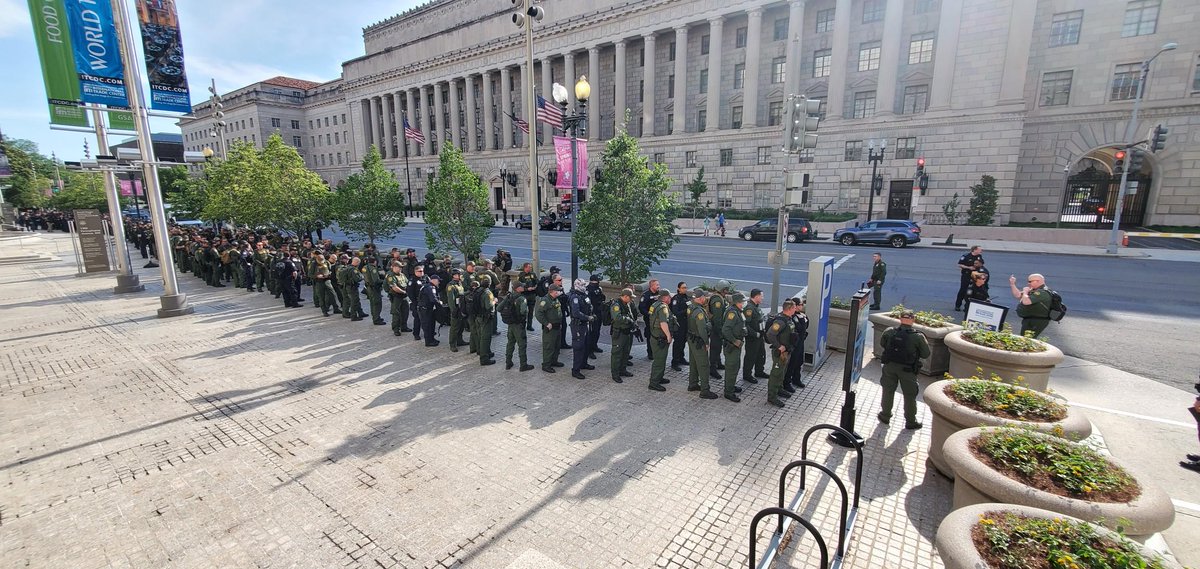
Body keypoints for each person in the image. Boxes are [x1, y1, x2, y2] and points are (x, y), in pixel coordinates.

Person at [877, 310, 931, 429]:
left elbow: (882, 344)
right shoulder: (918, 336)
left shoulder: (890, 331)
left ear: (900, 319)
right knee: (910, 395)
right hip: (908, 370)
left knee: (888, 391)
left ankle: (885, 416)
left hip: (889, 366)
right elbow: (925, 354)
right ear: (913, 320)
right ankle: (910, 421)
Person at [766, 300, 799, 408]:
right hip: (780, 353)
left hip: (786, 352)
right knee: (776, 373)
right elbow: (770, 334)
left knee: (782, 371)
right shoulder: (780, 321)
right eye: (794, 307)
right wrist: (778, 346)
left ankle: (779, 389)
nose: (796, 309)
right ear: (789, 308)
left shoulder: (788, 319)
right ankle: (772, 396)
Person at [687, 290, 718, 399]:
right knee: (704, 365)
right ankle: (705, 390)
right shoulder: (699, 312)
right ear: (700, 298)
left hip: (691, 338)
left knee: (694, 362)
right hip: (699, 341)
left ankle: (693, 383)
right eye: (705, 297)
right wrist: (706, 342)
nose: (706, 299)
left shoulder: (691, 307)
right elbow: (702, 329)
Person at [721, 293, 748, 402]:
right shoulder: (732, 313)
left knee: (736, 367)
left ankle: (731, 386)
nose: (744, 303)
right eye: (743, 301)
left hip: (737, 345)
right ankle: (728, 392)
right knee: (731, 368)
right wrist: (734, 340)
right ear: (738, 302)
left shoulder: (738, 311)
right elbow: (725, 330)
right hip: (732, 346)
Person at [1008, 273, 1052, 338]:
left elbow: (1026, 302)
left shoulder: (1042, 292)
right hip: (1030, 319)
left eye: (1030, 281)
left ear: (1038, 281)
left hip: (1037, 321)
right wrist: (1012, 284)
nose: (1028, 283)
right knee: (1025, 338)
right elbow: (1018, 295)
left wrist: (1025, 292)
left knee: (1028, 339)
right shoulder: (1034, 290)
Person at [568, 279, 595, 379]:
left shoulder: (584, 295)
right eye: (582, 285)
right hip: (578, 325)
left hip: (585, 324)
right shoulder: (575, 297)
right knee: (578, 347)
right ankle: (575, 370)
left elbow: (588, 306)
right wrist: (587, 317)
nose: (584, 286)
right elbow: (576, 313)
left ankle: (583, 363)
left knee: (586, 345)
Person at [647, 289, 674, 391]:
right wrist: (668, 336)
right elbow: (663, 323)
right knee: (659, 361)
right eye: (669, 297)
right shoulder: (663, 308)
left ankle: (659, 377)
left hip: (655, 336)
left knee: (661, 359)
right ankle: (654, 383)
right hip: (660, 339)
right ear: (666, 297)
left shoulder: (655, 305)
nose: (670, 298)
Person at [741, 289, 770, 384]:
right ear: (756, 296)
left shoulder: (756, 307)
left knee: (761, 354)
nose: (763, 298)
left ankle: (759, 371)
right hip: (753, 338)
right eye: (761, 296)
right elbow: (746, 324)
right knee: (751, 356)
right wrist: (755, 334)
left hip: (759, 336)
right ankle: (747, 375)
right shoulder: (749, 308)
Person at [505, 283, 535, 372]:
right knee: (522, 344)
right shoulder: (522, 298)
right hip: (519, 325)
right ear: (518, 289)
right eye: (521, 286)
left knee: (510, 343)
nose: (523, 287)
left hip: (511, 325)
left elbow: (499, 308)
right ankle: (523, 365)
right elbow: (523, 311)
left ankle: (508, 362)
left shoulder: (509, 297)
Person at [535, 284, 565, 373]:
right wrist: (546, 323)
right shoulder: (545, 300)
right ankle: (546, 365)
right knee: (549, 347)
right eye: (558, 291)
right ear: (553, 291)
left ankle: (554, 361)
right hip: (550, 329)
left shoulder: (555, 299)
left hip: (557, 326)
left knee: (557, 345)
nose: (559, 292)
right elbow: (538, 314)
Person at [610, 288, 637, 383]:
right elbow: (617, 317)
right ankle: (615, 374)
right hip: (619, 333)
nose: (631, 299)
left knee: (626, 352)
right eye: (630, 297)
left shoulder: (627, 304)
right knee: (617, 354)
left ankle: (623, 370)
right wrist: (628, 320)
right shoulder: (616, 304)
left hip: (627, 332)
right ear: (625, 296)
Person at [784, 297, 809, 390]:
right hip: (794, 343)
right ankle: (787, 382)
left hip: (800, 342)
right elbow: (800, 328)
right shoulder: (792, 317)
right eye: (801, 304)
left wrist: (804, 318)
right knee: (791, 363)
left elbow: (806, 326)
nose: (802, 306)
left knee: (799, 361)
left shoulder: (801, 315)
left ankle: (796, 379)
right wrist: (802, 319)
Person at [708, 280, 731, 379]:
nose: (728, 291)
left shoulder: (721, 297)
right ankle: (712, 369)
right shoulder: (717, 300)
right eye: (726, 289)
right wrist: (721, 332)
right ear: (723, 289)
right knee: (715, 348)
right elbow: (717, 319)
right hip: (716, 329)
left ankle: (718, 363)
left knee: (718, 347)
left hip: (719, 327)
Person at [475, 275, 497, 365]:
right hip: (486, 318)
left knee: (480, 335)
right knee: (486, 338)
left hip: (478, 316)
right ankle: (484, 358)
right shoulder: (488, 293)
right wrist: (495, 301)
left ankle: (485, 352)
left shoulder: (478, 290)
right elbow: (489, 305)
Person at [955, 246, 984, 311]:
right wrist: (968, 267)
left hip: (975, 275)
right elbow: (960, 264)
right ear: (974, 250)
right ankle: (958, 305)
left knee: (972, 291)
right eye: (980, 249)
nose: (981, 251)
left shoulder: (979, 256)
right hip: (966, 275)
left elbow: (982, 263)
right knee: (963, 290)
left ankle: (967, 307)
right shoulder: (966, 256)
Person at [670, 281, 690, 371]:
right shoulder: (675, 299)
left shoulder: (686, 297)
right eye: (683, 288)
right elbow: (675, 312)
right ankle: (675, 362)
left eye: (685, 287)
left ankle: (681, 358)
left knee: (683, 341)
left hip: (685, 324)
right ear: (678, 289)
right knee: (677, 343)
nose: (685, 289)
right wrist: (686, 311)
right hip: (678, 324)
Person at [418, 273, 443, 347]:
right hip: (425, 310)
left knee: (431, 324)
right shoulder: (430, 287)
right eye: (438, 281)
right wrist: (440, 303)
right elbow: (433, 299)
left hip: (427, 309)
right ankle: (428, 341)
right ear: (434, 280)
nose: (439, 282)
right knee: (427, 325)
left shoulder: (428, 286)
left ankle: (432, 339)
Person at [386, 261, 410, 334]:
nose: (400, 269)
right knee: (396, 313)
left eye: (401, 268)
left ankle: (404, 327)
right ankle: (396, 329)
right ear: (394, 267)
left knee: (405, 312)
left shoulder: (402, 275)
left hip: (404, 296)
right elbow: (394, 287)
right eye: (399, 267)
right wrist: (404, 292)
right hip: (396, 297)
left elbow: (407, 283)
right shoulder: (390, 276)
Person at [639, 279, 661, 361]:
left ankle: (657, 351)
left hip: (659, 319)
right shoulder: (646, 295)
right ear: (651, 286)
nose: (658, 286)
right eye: (656, 285)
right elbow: (642, 308)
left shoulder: (659, 294)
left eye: (658, 284)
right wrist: (649, 314)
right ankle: (650, 352)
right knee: (650, 335)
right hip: (649, 320)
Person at [585, 274, 606, 358]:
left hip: (599, 312)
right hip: (592, 313)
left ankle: (594, 346)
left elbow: (602, 298)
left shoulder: (598, 288)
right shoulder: (588, 289)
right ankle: (589, 350)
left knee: (597, 331)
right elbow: (588, 302)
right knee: (591, 332)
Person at [446, 269, 467, 351]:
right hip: (456, 308)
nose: (461, 276)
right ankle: (452, 344)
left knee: (461, 325)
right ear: (454, 275)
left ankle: (460, 340)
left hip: (461, 307)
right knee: (454, 327)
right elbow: (451, 299)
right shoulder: (451, 286)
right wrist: (453, 310)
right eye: (459, 274)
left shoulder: (459, 283)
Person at [363, 256, 386, 325]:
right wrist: (384, 280)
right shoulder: (373, 269)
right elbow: (376, 280)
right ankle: (376, 319)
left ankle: (375, 317)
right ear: (375, 261)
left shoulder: (365, 267)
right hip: (374, 288)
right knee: (377, 304)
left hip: (369, 287)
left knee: (372, 303)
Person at [517, 263, 539, 331]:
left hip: (532, 295)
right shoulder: (521, 275)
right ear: (525, 268)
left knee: (531, 311)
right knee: (524, 311)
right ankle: (522, 325)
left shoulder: (533, 274)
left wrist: (535, 286)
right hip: (524, 295)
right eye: (529, 267)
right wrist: (527, 289)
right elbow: (518, 286)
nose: (530, 268)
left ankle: (529, 326)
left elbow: (537, 281)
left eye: (531, 267)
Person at [409, 264, 427, 341]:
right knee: (417, 318)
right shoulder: (412, 280)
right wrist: (415, 302)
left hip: (425, 302)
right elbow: (410, 293)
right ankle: (416, 334)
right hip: (416, 302)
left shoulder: (425, 278)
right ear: (415, 272)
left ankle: (427, 332)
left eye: (422, 271)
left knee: (427, 318)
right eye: (420, 271)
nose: (421, 272)